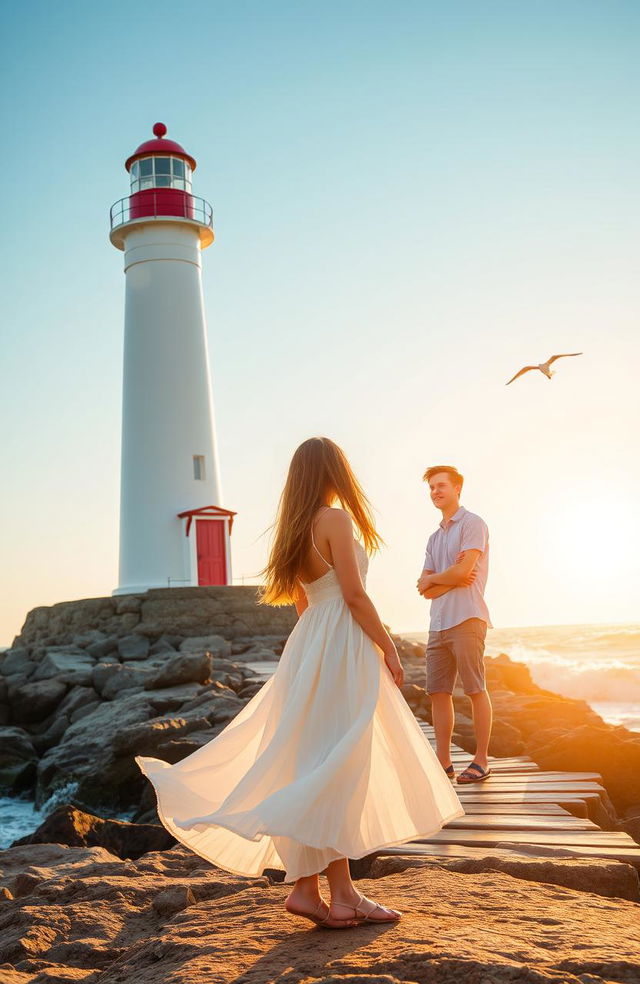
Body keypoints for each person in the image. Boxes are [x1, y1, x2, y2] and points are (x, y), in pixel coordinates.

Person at [136, 438, 464, 930]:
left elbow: (304, 605)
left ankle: (312, 890)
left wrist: (315, 651)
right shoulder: (334, 520)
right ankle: (340, 893)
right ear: (334, 471)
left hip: (312, 641)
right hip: (340, 640)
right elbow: (353, 594)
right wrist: (388, 646)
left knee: (316, 759)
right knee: (339, 762)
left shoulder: (294, 528)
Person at [417, 465, 493, 784]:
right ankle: (444, 762)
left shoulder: (473, 524)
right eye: (432, 487)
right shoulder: (434, 538)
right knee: (437, 692)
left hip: (468, 617)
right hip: (438, 623)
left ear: (457, 488)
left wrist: (442, 579)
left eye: (441, 486)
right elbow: (424, 588)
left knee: (475, 689)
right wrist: (446, 578)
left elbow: (465, 574)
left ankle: (481, 760)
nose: (436, 492)